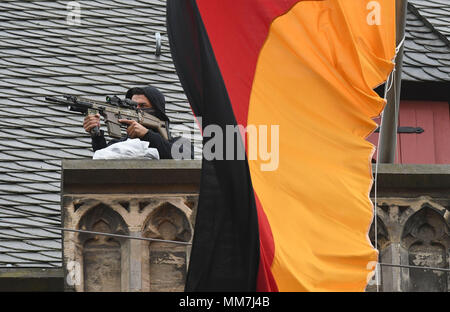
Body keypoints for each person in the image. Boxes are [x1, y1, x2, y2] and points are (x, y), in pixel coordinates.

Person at [83, 85, 193, 159]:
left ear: (157, 112)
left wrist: (147, 135)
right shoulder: (120, 144)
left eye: (143, 106)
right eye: (133, 106)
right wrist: (96, 134)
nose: (137, 109)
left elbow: (185, 157)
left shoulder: (179, 143)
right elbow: (103, 161)